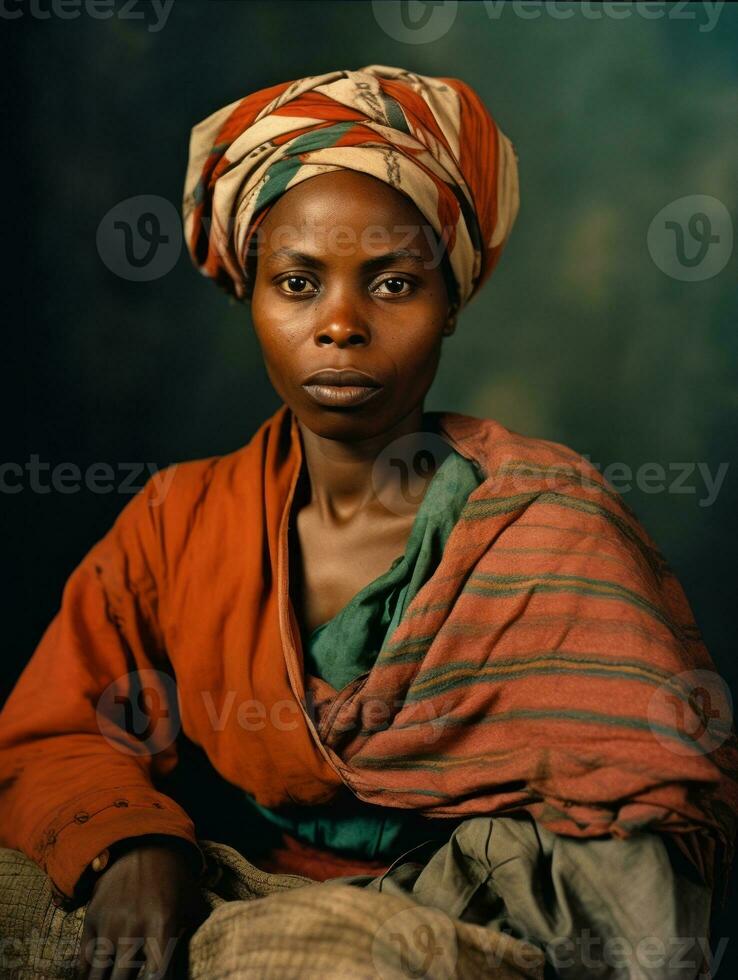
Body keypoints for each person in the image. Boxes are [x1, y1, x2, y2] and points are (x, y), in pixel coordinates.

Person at [0, 65, 736, 980]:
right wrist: (133, 845)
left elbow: (645, 813)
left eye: (391, 286)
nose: (340, 324)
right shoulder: (179, 521)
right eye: (299, 282)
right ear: (248, 292)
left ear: (452, 303)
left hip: (473, 924)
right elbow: (56, 729)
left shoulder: (544, 521)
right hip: (231, 892)